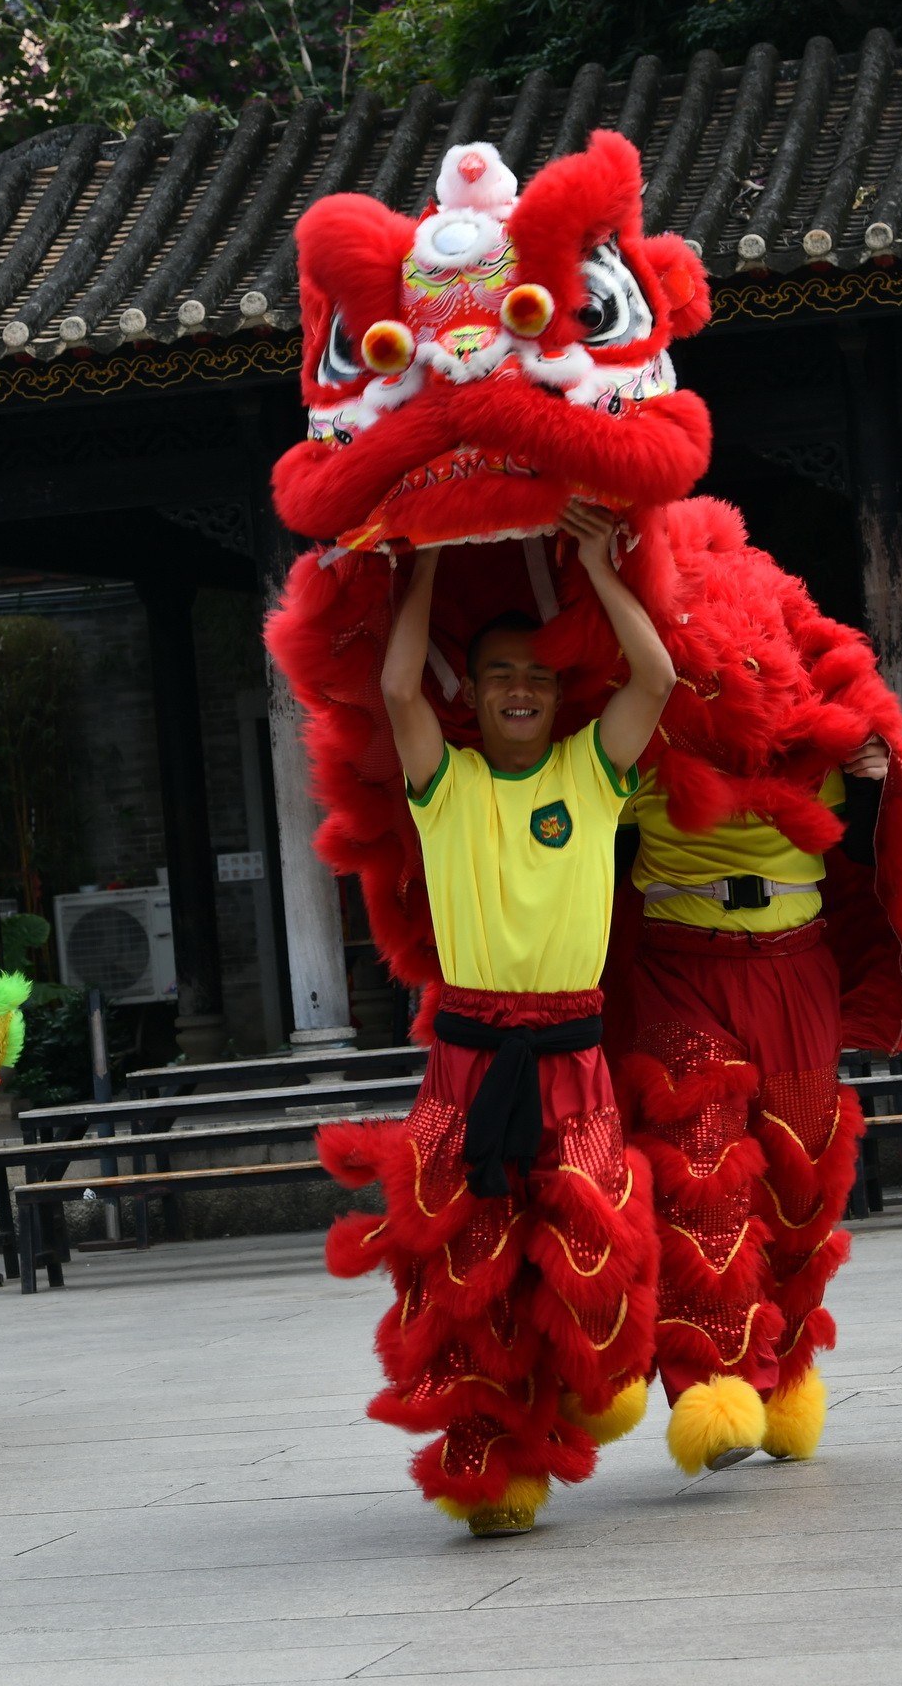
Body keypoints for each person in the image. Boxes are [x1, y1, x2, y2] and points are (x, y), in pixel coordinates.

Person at [319, 498, 678, 1538]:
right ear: (470, 693)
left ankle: (568, 1404)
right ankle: (488, 1462)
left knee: (589, 1254)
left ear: (559, 693)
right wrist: (422, 558)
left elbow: (652, 678)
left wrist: (601, 569)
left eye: (539, 675)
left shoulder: (591, 770)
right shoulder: (447, 780)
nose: (521, 688)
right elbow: (396, 683)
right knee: (464, 1269)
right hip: (469, 1060)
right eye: (501, 675)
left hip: (572, 1055)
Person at [612, 735, 893, 1478]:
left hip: (798, 967)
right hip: (680, 966)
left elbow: (874, 854)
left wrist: (877, 780)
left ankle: (788, 1373)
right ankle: (712, 1382)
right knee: (699, 1169)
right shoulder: (645, 738)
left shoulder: (820, 740)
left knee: (802, 1181)